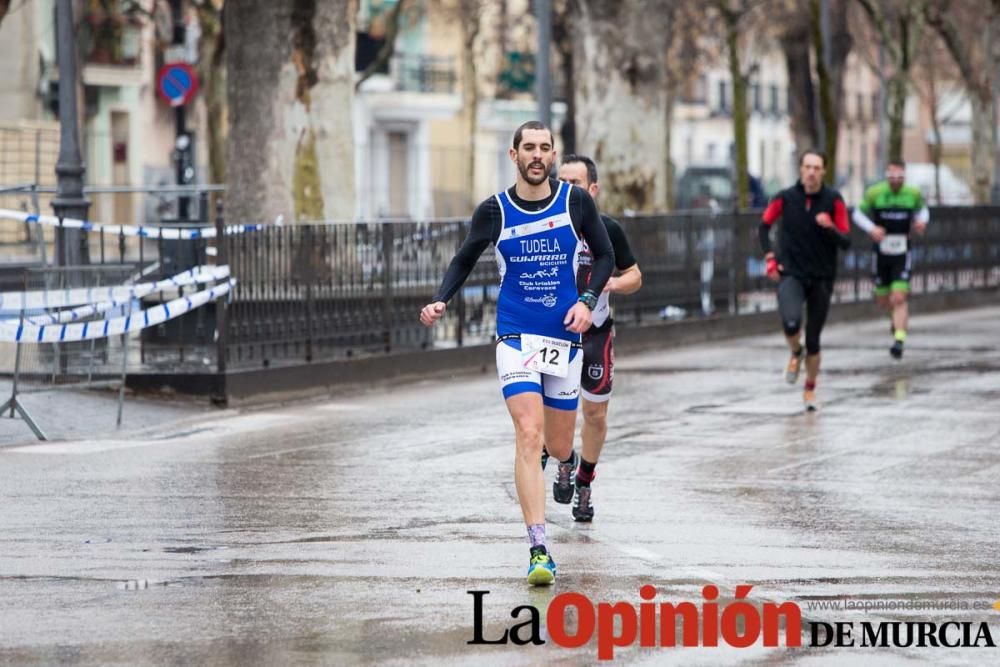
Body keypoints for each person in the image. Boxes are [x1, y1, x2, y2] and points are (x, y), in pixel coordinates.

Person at [419, 121, 614, 585]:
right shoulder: (495, 210)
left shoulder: (576, 202)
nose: (537, 155)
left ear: (552, 154)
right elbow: (465, 256)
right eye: (529, 147)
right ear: (514, 155)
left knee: (560, 443)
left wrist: (587, 303)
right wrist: (443, 297)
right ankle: (539, 548)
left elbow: (605, 256)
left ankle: (564, 462)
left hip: (564, 335)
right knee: (528, 433)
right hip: (516, 334)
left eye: (545, 148)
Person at [554, 154, 641, 523]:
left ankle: (584, 480)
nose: (566, 190)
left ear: (592, 189)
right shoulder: (546, 226)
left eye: (574, 183)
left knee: (594, 413)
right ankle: (563, 459)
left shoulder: (607, 229)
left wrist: (612, 282)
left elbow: (635, 276)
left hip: (596, 333)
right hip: (554, 333)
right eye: (561, 183)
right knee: (550, 412)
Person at [759, 150, 851, 411]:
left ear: (823, 171)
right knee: (790, 322)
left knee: (814, 339)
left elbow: (846, 241)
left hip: (822, 276)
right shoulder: (786, 198)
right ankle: (795, 351)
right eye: (807, 167)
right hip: (792, 273)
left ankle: (810, 388)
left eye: (817, 167)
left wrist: (830, 227)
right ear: (800, 169)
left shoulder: (834, 200)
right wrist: (769, 257)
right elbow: (763, 225)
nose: (811, 172)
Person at [851, 161, 929, 359]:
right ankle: (896, 318)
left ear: (904, 177)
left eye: (899, 178)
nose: (895, 182)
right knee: (884, 300)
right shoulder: (875, 193)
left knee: (899, 297)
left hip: (903, 251)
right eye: (892, 177)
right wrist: (872, 229)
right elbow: (857, 213)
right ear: (886, 176)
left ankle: (899, 341)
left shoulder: (912, 193)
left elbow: (923, 210)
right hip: (881, 251)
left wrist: (921, 222)